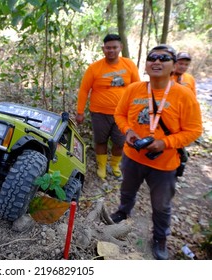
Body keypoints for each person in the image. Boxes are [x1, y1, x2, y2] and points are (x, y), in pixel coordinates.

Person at [111, 44, 202, 260]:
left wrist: (166, 143)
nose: (157, 61)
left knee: (161, 205)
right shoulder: (133, 89)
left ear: (173, 66)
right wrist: (129, 131)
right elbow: (120, 114)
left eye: (164, 58)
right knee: (127, 190)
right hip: (133, 156)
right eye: (153, 57)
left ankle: (160, 238)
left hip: (164, 164)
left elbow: (194, 130)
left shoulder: (184, 95)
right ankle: (123, 212)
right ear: (146, 64)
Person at [75, 34, 140, 180]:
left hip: (122, 114)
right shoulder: (94, 68)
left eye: (114, 47)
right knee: (100, 140)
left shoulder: (129, 65)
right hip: (99, 112)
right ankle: (102, 166)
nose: (111, 50)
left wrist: (137, 110)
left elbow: (137, 88)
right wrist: (80, 112)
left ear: (120, 48)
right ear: (103, 49)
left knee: (120, 141)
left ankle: (115, 165)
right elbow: (84, 90)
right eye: (108, 48)